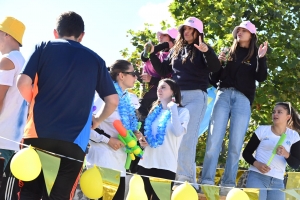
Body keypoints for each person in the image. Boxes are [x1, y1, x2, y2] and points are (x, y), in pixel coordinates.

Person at [15, 11, 118, 199]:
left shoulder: (43, 47)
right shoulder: (96, 60)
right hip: (74, 141)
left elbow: (22, 83)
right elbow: (112, 100)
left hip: (37, 134)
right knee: (60, 196)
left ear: (56, 32)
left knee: (29, 192)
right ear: (82, 36)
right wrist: (96, 120)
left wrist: (35, 102)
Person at [148, 16, 220, 188]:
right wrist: (152, 54)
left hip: (196, 96)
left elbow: (216, 68)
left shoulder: (204, 49)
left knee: (187, 138)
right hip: (177, 97)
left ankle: (185, 181)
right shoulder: (176, 49)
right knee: (174, 136)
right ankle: (182, 178)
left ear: (198, 32)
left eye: (191, 29)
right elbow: (164, 71)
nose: (187, 32)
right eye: (185, 29)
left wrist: (207, 51)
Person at [200, 21, 268, 195]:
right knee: (214, 141)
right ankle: (206, 181)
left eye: (244, 31)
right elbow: (214, 80)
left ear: (251, 35)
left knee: (235, 146)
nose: (240, 32)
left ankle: (228, 185)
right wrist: (217, 65)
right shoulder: (228, 52)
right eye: (238, 30)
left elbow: (261, 77)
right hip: (223, 95)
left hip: (243, 100)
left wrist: (262, 58)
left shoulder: (255, 56)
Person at [86, 60, 140, 200]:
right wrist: (107, 140)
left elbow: (122, 130)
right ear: (121, 75)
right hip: (102, 163)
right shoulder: (104, 98)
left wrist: (134, 135)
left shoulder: (127, 100)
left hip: (119, 167)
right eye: (133, 73)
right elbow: (86, 127)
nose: (136, 77)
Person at [131, 28, 178, 173]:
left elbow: (169, 78)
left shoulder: (171, 56)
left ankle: (142, 169)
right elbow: (144, 57)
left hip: (157, 102)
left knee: (149, 134)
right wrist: (142, 78)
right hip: (144, 100)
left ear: (172, 39)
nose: (159, 38)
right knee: (137, 133)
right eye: (159, 35)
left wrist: (153, 80)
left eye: (163, 36)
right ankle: (133, 170)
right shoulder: (155, 54)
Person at [137, 78, 189, 200]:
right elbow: (151, 137)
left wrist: (173, 110)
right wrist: (143, 142)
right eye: (158, 87)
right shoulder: (154, 111)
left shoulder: (183, 112)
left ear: (173, 92)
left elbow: (177, 132)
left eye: (163, 87)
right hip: (146, 164)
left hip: (166, 166)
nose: (159, 90)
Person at [243, 102, 300, 200]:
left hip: (278, 181)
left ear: (288, 117)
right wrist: (257, 164)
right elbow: (246, 153)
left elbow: (296, 164)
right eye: (273, 112)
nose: (275, 114)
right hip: (257, 177)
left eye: (279, 112)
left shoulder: (294, 136)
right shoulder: (262, 130)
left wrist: (286, 154)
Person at [0, 16, 27, 170]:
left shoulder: (8, 60)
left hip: (2, 139)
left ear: (7, 34)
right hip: (13, 141)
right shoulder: (23, 61)